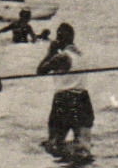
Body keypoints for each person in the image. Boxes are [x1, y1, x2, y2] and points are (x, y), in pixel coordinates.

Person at [37, 22, 92, 157]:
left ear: (61, 39)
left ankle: (63, 163)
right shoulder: (81, 55)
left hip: (64, 100)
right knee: (83, 145)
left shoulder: (62, 57)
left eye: (58, 37)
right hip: (83, 99)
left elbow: (40, 70)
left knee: (54, 143)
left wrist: (50, 52)